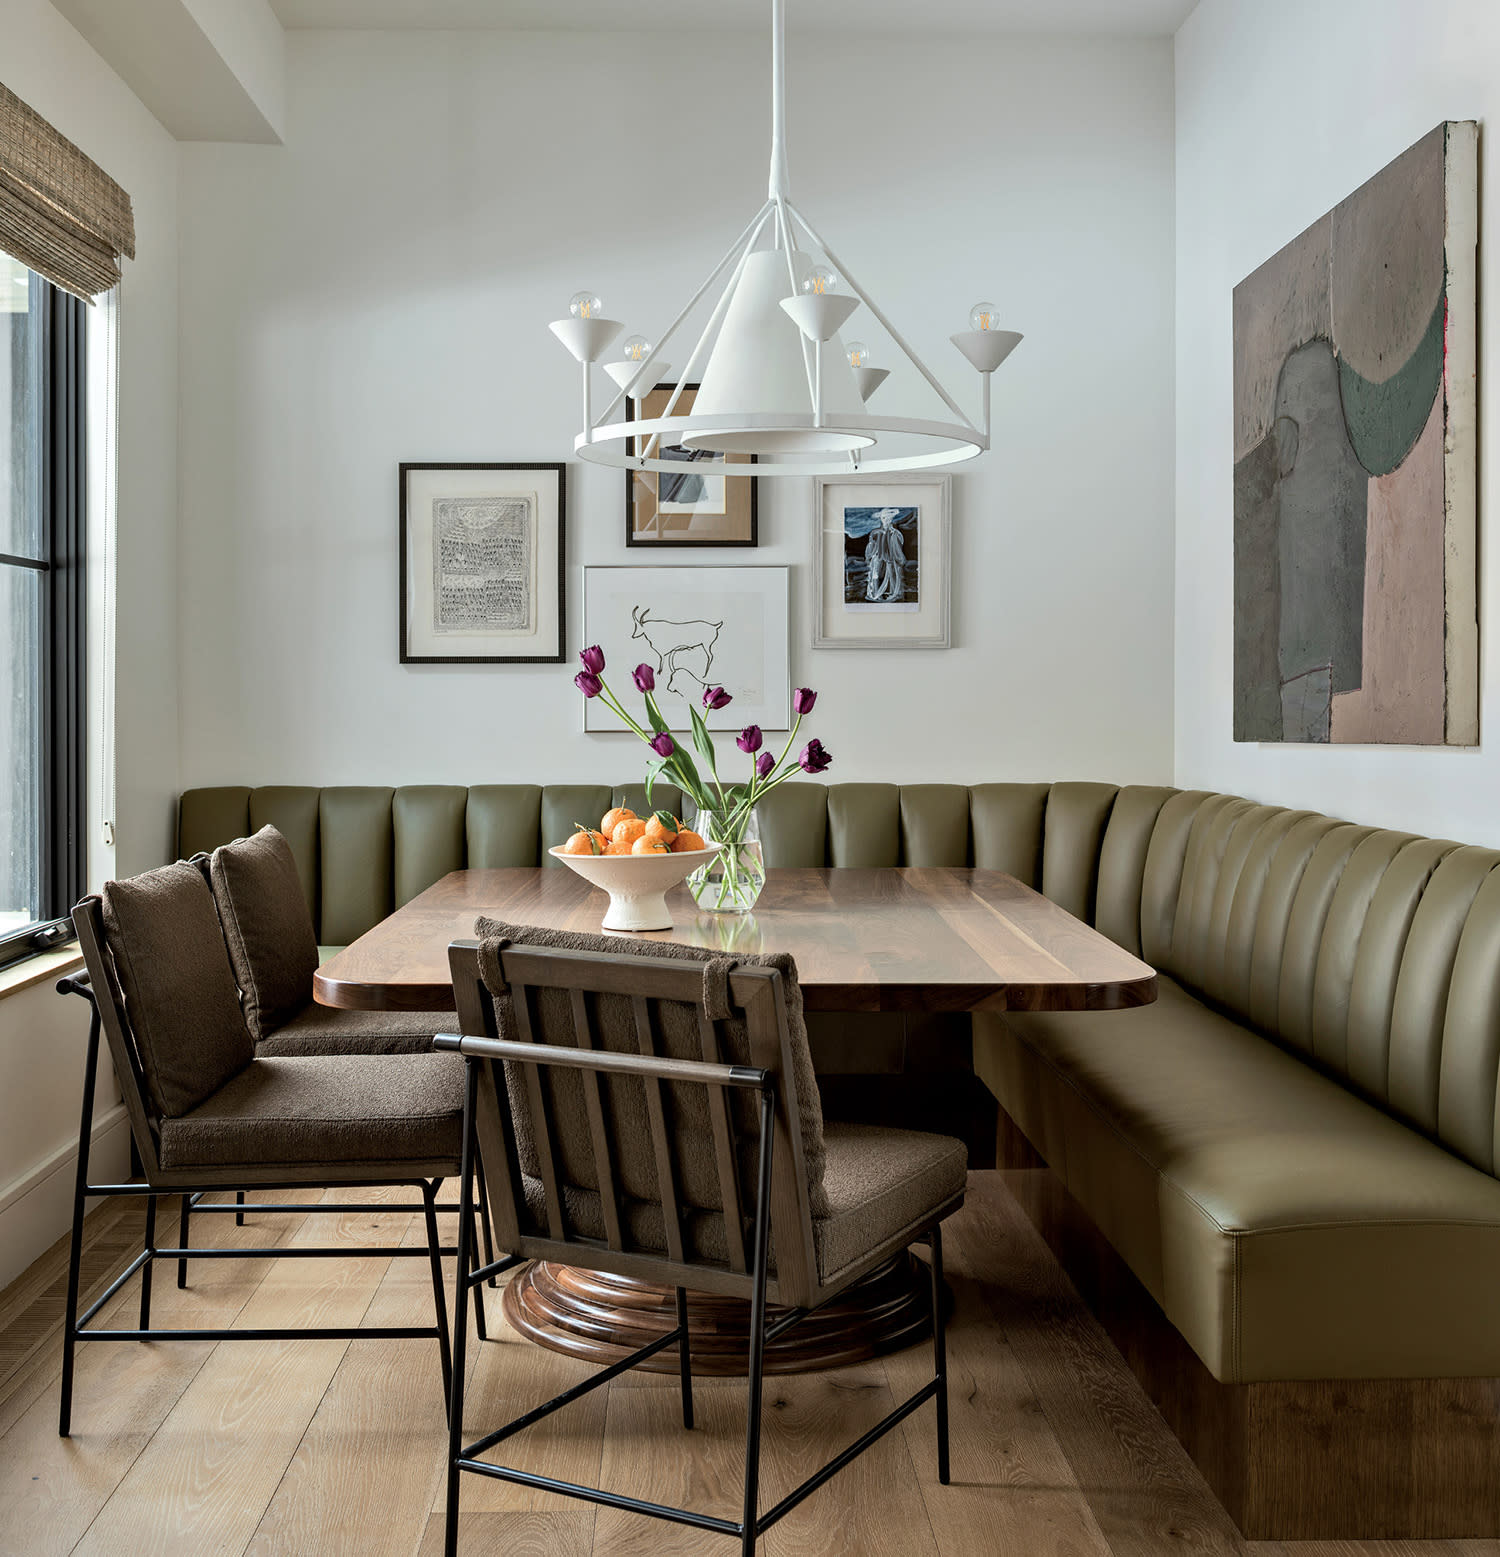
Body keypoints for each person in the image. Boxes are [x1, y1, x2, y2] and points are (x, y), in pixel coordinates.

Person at [864, 507, 907, 602]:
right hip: (877, 557)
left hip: (890, 557)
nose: (886, 520)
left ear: (891, 519)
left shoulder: (895, 533)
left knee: (892, 574)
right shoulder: (875, 532)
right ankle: (875, 594)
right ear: (881, 519)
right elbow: (871, 546)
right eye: (884, 518)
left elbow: (899, 545)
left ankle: (892, 594)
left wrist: (899, 557)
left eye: (888, 518)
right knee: (876, 575)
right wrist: (869, 556)